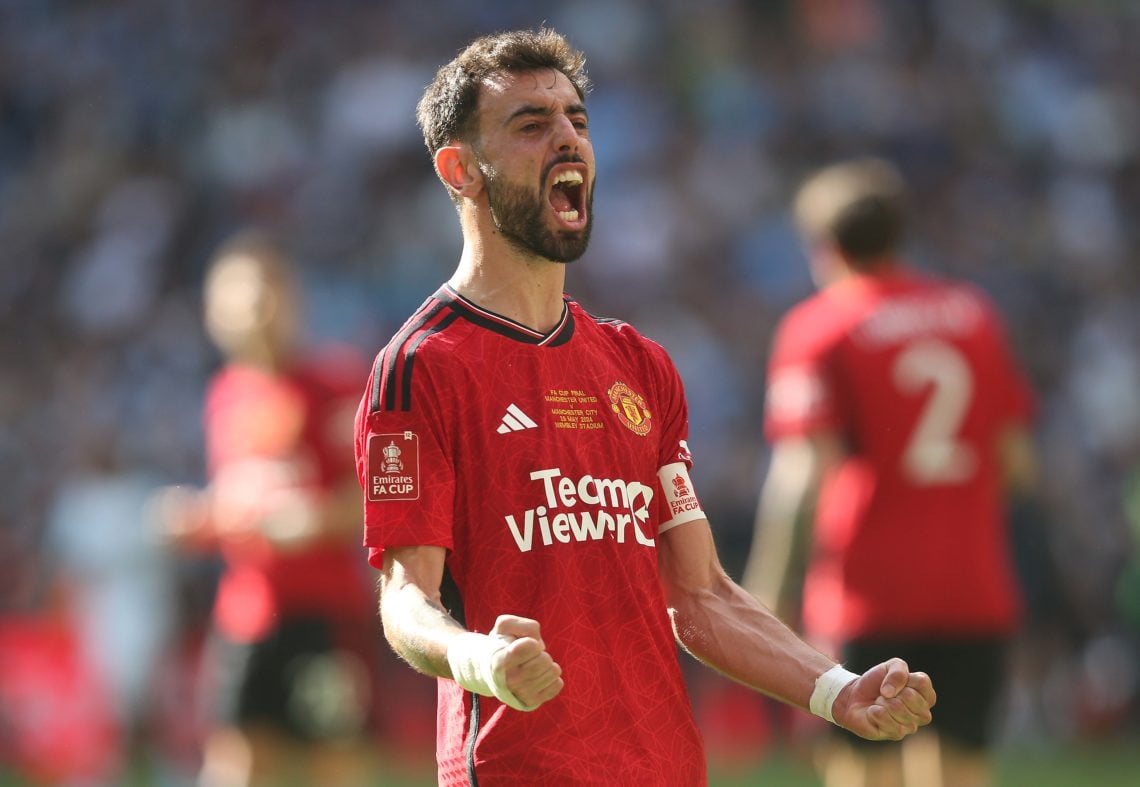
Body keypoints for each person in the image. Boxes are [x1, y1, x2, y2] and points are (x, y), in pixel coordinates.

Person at [353, 29, 935, 786]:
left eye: (578, 121)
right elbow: (407, 598)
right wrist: (477, 655)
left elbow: (700, 595)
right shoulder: (420, 366)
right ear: (462, 170)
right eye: (532, 125)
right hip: (519, 770)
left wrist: (835, 689)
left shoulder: (638, 364)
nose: (568, 137)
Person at [741, 158, 1039, 787]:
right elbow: (1018, 463)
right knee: (959, 773)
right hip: (973, 586)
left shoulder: (820, 327)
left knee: (864, 770)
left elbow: (802, 476)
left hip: (867, 592)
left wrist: (765, 594)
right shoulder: (973, 315)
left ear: (823, 246)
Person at [156, 230, 383, 787]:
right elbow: (243, 499)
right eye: (239, 301)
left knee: (335, 763)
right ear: (215, 312)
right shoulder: (225, 394)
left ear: (291, 302)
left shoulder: (336, 385)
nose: (255, 314)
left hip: (324, 614)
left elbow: (371, 497)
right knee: (235, 764)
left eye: (266, 297)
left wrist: (312, 522)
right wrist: (200, 519)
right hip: (245, 616)